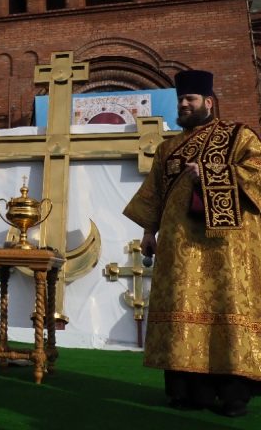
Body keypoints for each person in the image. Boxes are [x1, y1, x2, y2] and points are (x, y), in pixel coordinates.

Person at [124, 69, 261, 417]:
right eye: (181, 99)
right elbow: (154, 193)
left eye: (191, 99)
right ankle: (189, 392)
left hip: (226, 249)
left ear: (209, 102)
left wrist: (214, 175)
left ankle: (233, 395)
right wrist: (147, 232)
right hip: (178, 249)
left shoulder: (238, 136)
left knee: (227, 309)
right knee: (181, 314)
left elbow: (258, 172)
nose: (184, 104)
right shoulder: (167, 148)